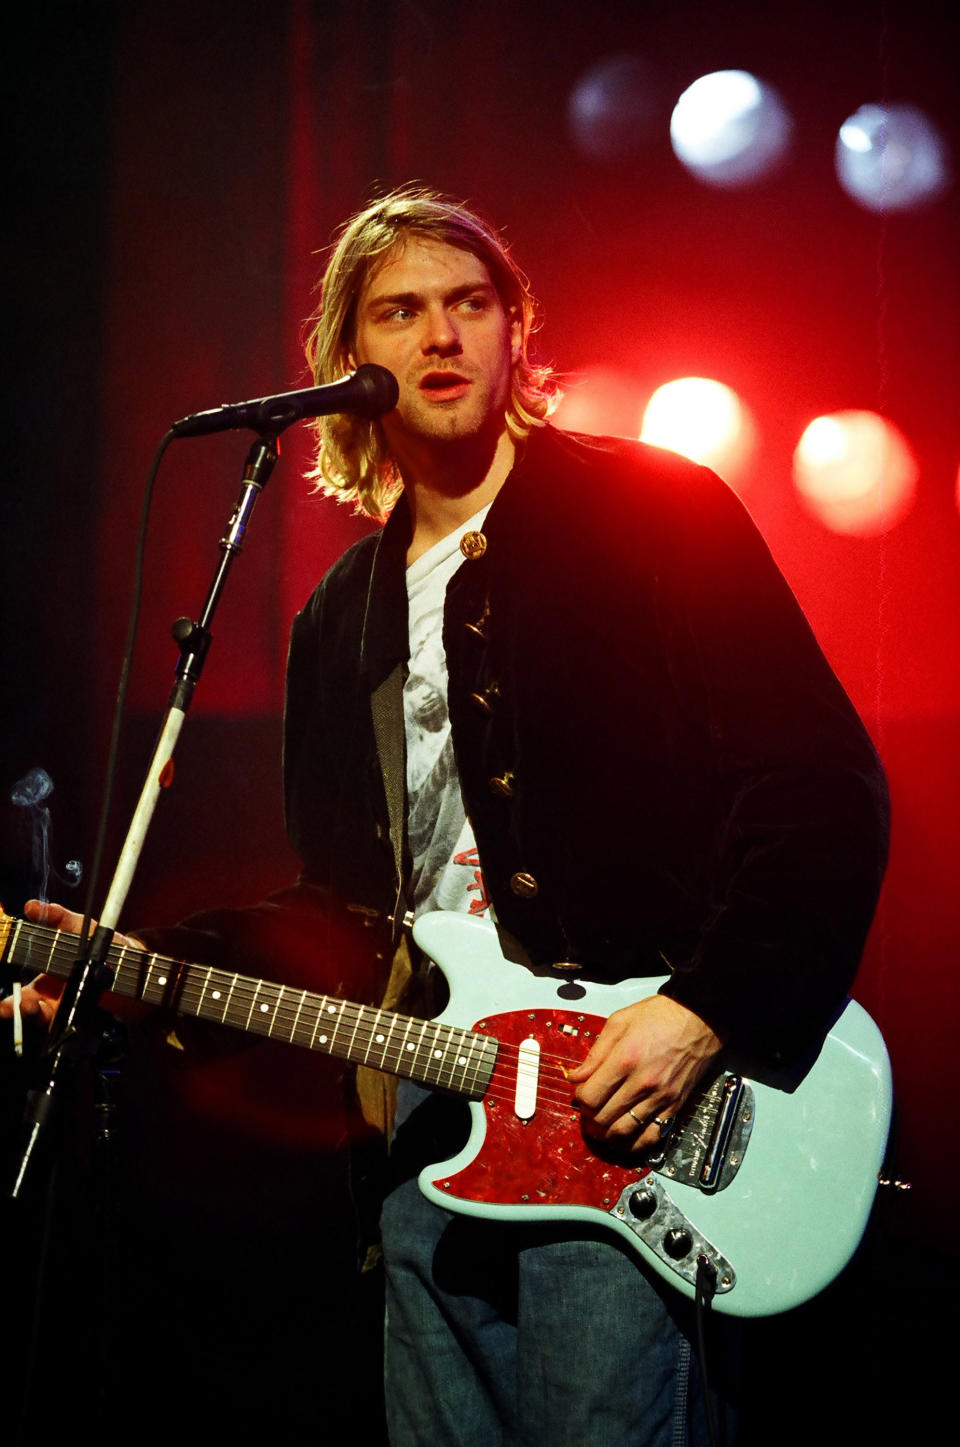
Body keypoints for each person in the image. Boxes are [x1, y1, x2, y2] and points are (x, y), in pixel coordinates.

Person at [7, 186, 889, 1445]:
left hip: (628, 1124)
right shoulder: (341, 614)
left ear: (516, 332)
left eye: (470, 304)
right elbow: (342, 911)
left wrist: (708, 1009)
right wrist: (160, 975)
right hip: (430, 1138)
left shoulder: (657, 512)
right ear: (345, 358)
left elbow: (818, 787)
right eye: (401, 311)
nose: (440, 337)